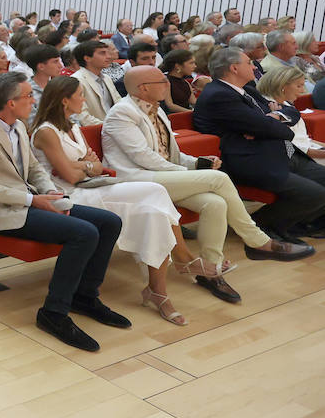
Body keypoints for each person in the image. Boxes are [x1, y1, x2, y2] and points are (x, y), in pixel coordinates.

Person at [103, 64, 312, 296]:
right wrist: (192, 172)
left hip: (160, 176)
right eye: (162, 82)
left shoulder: (157, 109)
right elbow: (144, 158)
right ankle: (257, 241)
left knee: (215, 204)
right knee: (218, 179)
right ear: (143, 88)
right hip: (135, 181)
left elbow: (169, 151)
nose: (167, 85)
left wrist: (197, 162)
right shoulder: (122, 113)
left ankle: (210, 270)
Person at [0, 72, 125, 352]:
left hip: (32, 199)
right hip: (2, 209)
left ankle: (84, 296)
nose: (32, 99)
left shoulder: (19, 125)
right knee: (83, 233)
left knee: (109, 222)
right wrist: (32, 200)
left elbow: (34, 168)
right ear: (11, 103)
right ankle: (54, 313)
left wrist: (49, 192)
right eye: (27, 95)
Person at [31, 76, 208, 325]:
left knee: (154, 212)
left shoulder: (73, 126)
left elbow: (95, 165)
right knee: (156, 191)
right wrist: (85, 165)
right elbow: (72, 175)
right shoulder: (46, 132)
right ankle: (183, 257)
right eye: (80, 95)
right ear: (64, 100)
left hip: (92, 186)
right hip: (71, 194)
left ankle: (158, 292)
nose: (84, 100)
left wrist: (83, 165)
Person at [193, 47, 325, 241]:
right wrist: (271, 123)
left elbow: (291, 112)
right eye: (248, 62)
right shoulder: (219, 95)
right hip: (250, 161)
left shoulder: (246, 90)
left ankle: (302, 224)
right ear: (234, 68)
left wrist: (273, 118)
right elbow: (273, 128)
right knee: (315, 194)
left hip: (277, 152)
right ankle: (260, 225)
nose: (254, 66)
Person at [257, 65, 325, 166]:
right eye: (299, 86)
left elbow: (303, 140)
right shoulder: (269, 109)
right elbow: (296, 148)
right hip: (297, 160)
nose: (303, 91)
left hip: (310, 150)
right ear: (282, 86)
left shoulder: (285, 105)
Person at [72, 40, 121, 120]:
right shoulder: (76, 80)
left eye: (107, 52)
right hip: (94, 129)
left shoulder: (107, 78)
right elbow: (82, 116)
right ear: (87, 58)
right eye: (102, 53)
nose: (108, 56)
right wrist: (109, 127)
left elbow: (119, 103)